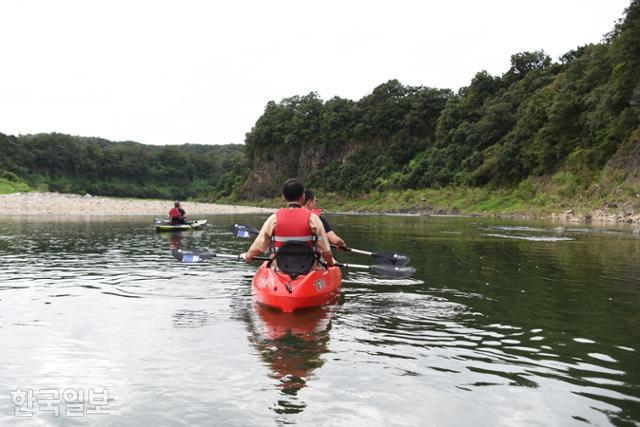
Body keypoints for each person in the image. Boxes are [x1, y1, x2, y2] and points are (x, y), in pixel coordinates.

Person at [241, 179, 335, 267]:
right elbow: (326, 251)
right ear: (303, 197)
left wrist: (248, 256)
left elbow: (257, 247)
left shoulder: (273, 219)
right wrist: (330, 264)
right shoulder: (313, 219)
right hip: (308, 269)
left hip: (280, 269)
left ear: (283, 197)